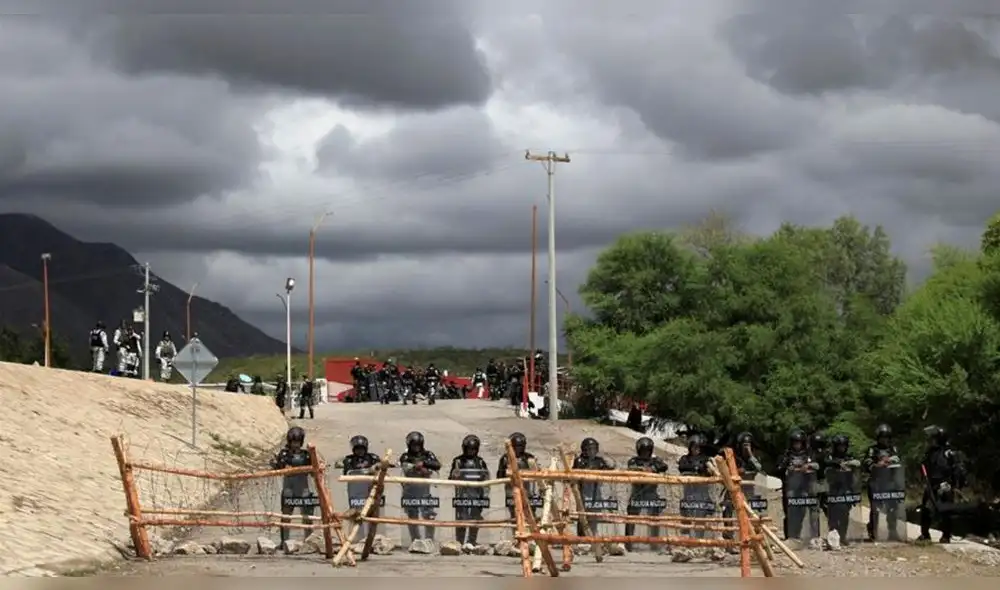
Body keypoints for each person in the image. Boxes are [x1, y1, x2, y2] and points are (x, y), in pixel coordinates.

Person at [919, 426, 966, 544]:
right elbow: (924, 466)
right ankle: (925, 534)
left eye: (933, 438)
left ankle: (946, 536)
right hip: (931, 484)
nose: (931, 440)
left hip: (945, 485)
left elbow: (958, 470)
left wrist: (956, 486)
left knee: (946, 511)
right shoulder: (930, 452)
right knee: (925, 510)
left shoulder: (949, 453)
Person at [271, 427, 317, 548]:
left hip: (303, 489)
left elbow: (314, 471)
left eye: (297, 442)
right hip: (289, 488)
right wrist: (275, 463)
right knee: (286, 515)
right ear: (289, 441)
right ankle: (284, 541)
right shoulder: (284, 454)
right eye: (293, 442)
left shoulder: (307, 455)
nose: (295, 445)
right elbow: (277, 468)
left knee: (307, 515)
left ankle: (309, 541)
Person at [624, 436, 669, 551]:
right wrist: (643, 470)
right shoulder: (633, 460)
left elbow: (664, 466)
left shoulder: (655, 460)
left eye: (647, 451)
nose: (645, 453)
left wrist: (653, 468)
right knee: (632, 517)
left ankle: (655, 542)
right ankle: (628, 542)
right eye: (643, 451)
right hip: (637, 492)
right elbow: (631, 469)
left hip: (651, 492)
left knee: (654, 517)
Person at [775, 429, 820, 540]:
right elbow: (778, 468)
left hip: (804, 486)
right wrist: (787, 467)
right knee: (790, 512)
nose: (797, 445)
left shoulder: (809, 454)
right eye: (795, 442)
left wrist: (808, 466)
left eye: (799, 442)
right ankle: (790, 536)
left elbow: (817, 465)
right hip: (790, 487)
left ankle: (800, 535)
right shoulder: (786, 454)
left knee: (802, 511)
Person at [862, 423, 902, 542]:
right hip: (876, 482)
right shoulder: (872, 449)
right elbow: (867, 463)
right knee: (876, 509)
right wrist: (878, 464)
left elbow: (898, 459)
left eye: (886, 437)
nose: (884, 440)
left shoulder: (893, 449)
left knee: (892, 509)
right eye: (882, 437)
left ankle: (893, 532)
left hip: (890, 482)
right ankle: (873, 531)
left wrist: (889, 461)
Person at [399, 431, 442, 542]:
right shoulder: (406, 456)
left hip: (426, 491)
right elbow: (406, 468)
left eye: (418, 445)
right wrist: (420, 469)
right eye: (414, 445)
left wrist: (423, 464)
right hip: (410, 491)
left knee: (429, 515)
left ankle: (429, 540)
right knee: (412, 517)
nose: (416, 448)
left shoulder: (428, 455)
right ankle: (415, 540)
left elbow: (437, 465)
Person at [449, 434, 490, 546]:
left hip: (477, 494)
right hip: (462, 495)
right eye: (469, 449)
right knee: (461, 518)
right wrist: (455, 475)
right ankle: (460, 542)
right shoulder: (458, 461)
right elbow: (451, 478)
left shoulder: (480, 462)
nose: (471, 451)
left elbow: (487, 477)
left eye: (473, 449)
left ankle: (471, 541)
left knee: (475, 518)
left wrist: (485, 494)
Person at [821, 434, 861, 545]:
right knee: (833, 515)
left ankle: (843, 536)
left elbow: (857, 464)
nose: (841, 448)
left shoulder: (849, 457)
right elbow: (825, 462)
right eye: (839, 446)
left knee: (844, 514)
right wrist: (838, 464)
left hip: (846, 489)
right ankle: (833, 536)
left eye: (843, 446)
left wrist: (848, 463)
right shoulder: (830, 457)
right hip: (833, 490)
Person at [573, 437, 616, 536]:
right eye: (589, 449)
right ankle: (581, 537)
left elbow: (609, 468)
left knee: (594, 514)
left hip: (596, 490)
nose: (591, 451)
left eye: (593, 449)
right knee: (583, 514)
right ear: (584, 449)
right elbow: (577, 472)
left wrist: (609, 462)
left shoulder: (599, 460)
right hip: (584, 490)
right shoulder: (579, 460)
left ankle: (592, 535)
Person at [678, 435, 714, 537]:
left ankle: (699, 539)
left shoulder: (706, 459)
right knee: (686, 514)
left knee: (700, 517)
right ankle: (686, 539)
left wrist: (701, 469)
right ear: (690, 447)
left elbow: (710, 471)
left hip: (701, 493)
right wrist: (696, 468)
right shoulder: (685, 458)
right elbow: (682, 467)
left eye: (699, 447)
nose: (696, 449)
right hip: (688, 492)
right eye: (694, 446)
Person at [497, 432, 539, 520]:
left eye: (521, 446)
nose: (519, 449)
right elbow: (500, 476)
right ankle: (516, 532)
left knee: (531, 514)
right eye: (517, 446)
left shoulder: (529, 458)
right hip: (511, 491)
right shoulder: (505, 458)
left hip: (528, 491)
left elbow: (538, 474)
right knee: (514, 515)